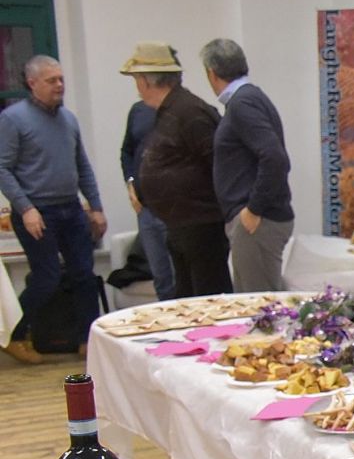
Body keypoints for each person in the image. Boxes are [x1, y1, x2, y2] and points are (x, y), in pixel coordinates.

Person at [0, 55, 104, 363]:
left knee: (84, 275)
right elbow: (3, 168)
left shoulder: (68, 119)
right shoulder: (13, 119)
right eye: (51, 80)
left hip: (71, 208)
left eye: (61, 79)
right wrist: (25, 208)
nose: (59, 85)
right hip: (36, 212)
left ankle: (87, 341)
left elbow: (82, 165)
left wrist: (96, 206)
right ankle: (13, 335)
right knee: (47, 278)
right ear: (32, 83)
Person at [120, 42, 231, 297]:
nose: (137, 87)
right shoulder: (169, 109)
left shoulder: (190, 111)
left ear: (146, 81)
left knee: (208, 299)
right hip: (181, 226)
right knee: (187, 299)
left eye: (137, 80)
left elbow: (219, 165)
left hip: (201, 228)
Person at [201, 38, 293, 291]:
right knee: (251, 303)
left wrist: (253, 209)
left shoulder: (242, 103)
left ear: (211, 73)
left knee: (261, 305)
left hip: (258, 223)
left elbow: (275, 157)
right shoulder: (249, 98)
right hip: (257, 222)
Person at [119, 98, 175, 300]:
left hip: (175, 209)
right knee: (161, 278)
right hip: (145, 209)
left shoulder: (181, 110)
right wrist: (130, 183)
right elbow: (126, 151)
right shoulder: (138, 110)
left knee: (180, 276)